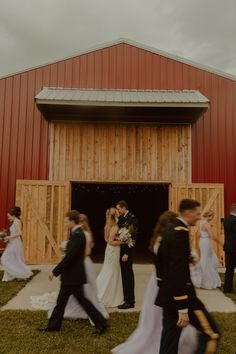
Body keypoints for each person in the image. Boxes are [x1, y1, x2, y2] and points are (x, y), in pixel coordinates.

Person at [112, 211, 197, 354]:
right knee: (164, 314)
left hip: (158, 280)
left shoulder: (159, 238)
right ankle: (162, 342)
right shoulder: (167, 239)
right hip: (166, 281)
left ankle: (168, 341)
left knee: (159, 316)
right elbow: (171, 263)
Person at [156, 199, 220, 354]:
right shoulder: (180, 233)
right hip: (184, 298)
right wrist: (183, 307)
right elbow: (177, 272)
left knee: (169, 341)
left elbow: (160, 263)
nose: (199, 217)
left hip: (167, 296)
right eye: (197, 213)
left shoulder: (169, 230)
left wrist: (164, 286)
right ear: (188, 212)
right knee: (212, 333)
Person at [37, 210, 107, 334]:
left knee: (83, 301)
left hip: (73, 276)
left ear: (72, 221)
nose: (65, 224)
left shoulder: (78, 235)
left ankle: (101, 323)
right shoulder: (76, 233)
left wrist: (54, 271)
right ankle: (53, 326)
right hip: (70, 276)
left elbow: (70, 258)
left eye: (66, 221)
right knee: (61, 301)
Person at [96, 208, 123, 307]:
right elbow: (111, 241)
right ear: (115, 215)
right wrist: (123, 241)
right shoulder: (115, 227)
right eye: (117, 213)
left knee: (108, 269)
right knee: (112, 270)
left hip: (109, 250)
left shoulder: (107, 226)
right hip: (113, 250)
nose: (119, 214)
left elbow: (106, 239)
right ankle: (107, 295)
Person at [116, 200, 138, 309]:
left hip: (127, 252)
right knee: (124, 275)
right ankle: (126, 299)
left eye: (119, 208)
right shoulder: (121, 218)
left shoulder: (132, 219)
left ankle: (130, 301)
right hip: (121, 250)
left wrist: (127, 253)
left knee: (128, 276)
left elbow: (133, 238)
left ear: (124, 207)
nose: (118, 210)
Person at [1, 206, 33, 282]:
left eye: (9, 216)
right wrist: (6, 238)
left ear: (13, 215)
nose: (8, 218)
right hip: (12, 243)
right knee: (12, 259)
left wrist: (8, 237)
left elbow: (19, 233)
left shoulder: (16, 222)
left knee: (4, 259)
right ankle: (10, 276)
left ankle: (20, 273)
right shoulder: (15, 221)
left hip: (15, 244)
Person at [191, 210, 221, 289]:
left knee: (207, 259)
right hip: (206, 242)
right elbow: (212, 236)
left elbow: (198, 235)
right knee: (207, 261)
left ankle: (203, 280)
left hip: (202, 242)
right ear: (209, 216)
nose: (212, 218)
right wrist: (220, 243)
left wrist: (198, 244)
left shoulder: (200, 223)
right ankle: (206, 282)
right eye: (212, 216)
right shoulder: (207, 224)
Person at [223, 203, 236, 293]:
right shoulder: (235, 220)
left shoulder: (226, 220)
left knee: (229, 268)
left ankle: (227, 288)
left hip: (228, 247)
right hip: (235, 247)